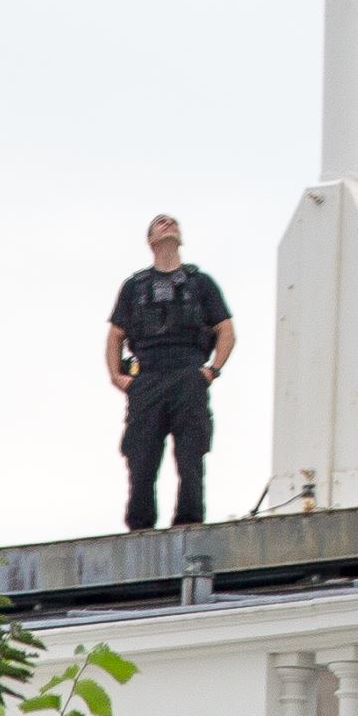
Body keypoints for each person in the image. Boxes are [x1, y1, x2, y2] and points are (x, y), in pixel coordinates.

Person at [106, 215, 235, 531]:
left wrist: (212, 371)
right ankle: (140, 527)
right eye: (160, 223)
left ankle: (188, 523)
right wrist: (117, 377)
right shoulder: (135, 287)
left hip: (188, 373)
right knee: (141, 458)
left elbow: (226, 330)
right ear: (150, 241)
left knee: (191, 456)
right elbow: (115, 335)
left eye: (173, 222)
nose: (168, 224)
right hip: (147, 376)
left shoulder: (200, 284)